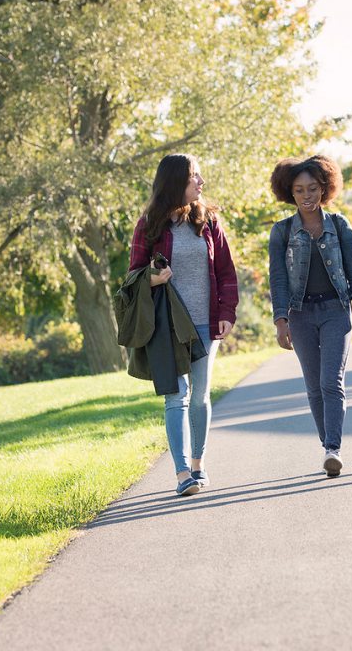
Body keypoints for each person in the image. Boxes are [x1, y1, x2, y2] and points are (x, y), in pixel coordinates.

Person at [129, 154, 238, 495]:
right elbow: (132, 278)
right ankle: (181, 475)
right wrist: (153, 277)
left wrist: (227, 312)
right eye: (194, 176)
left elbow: (225, 271)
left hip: (205, 324)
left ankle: (198, 465)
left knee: (200, 398)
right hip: (168, 327)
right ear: (176, 181)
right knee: (176, 396)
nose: (201, 182)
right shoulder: (149, 225)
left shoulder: (207, 221)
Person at [268, 155, 352, 477]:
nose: (306, 195)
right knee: (314, 387)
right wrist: (281, 321)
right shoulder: (281, 232)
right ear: (290, 192)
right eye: (299, 190)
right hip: (300, 314)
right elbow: (277, 278)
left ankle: (333, 448)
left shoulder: (339, 225)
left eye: (313, 188)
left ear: (324, 188)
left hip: (335, 310)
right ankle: (327, 444)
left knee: (331, 381)